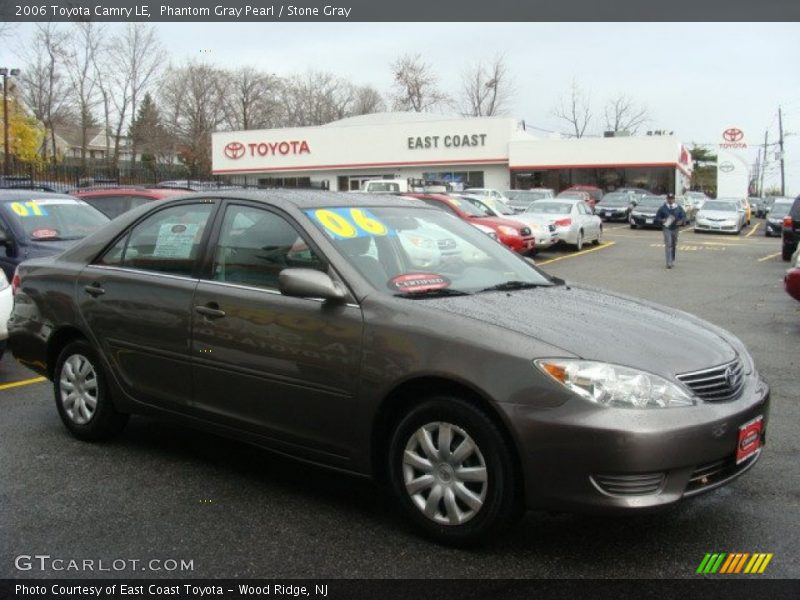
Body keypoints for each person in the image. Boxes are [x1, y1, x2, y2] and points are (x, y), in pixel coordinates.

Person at [655, 193, 686, 269]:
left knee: (673, 244)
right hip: (667, 228)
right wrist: (662, 220)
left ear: (674, 199)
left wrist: (681, 221)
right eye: (669, 199)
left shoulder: (678, 208)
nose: (670, 200)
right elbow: (657, 218)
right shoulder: (662, 208)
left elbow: (684, 217)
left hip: (675, 228)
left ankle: (672, 259)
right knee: (668, 244)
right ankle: (668, 262)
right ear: (667, 199)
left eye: (672, 199)